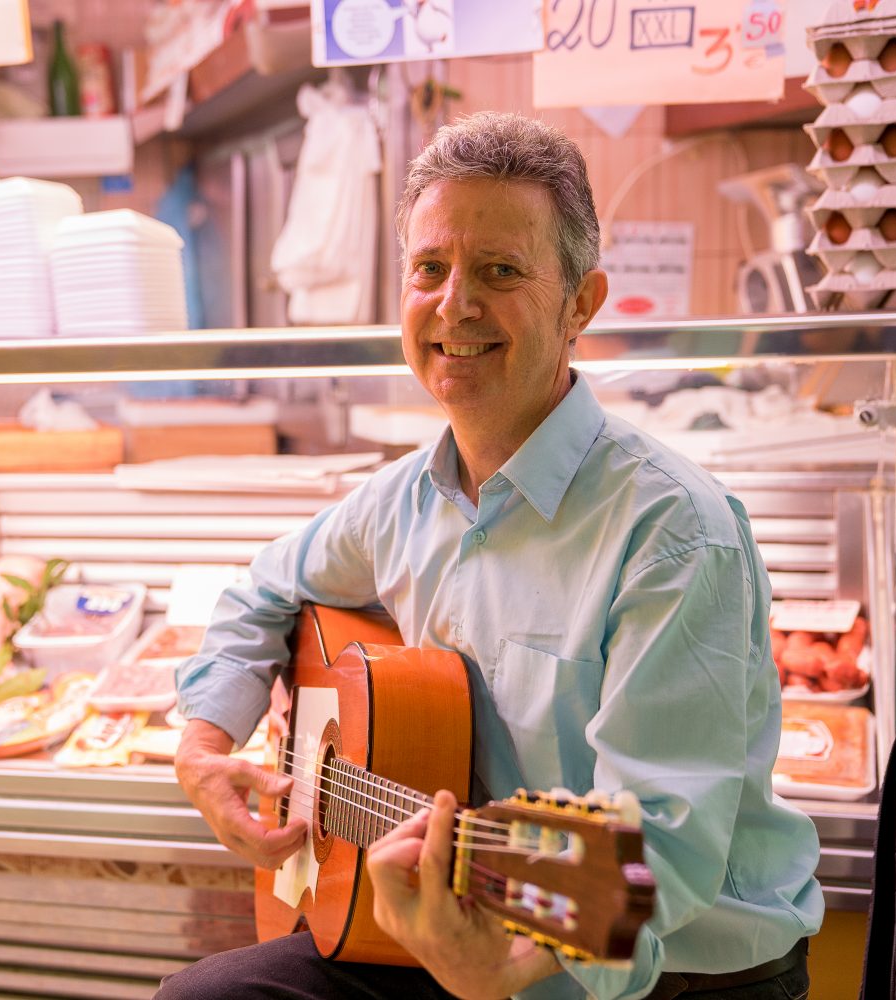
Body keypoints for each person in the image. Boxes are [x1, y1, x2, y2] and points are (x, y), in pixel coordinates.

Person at [160, 112, 823, 1000]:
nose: (455, 305)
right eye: (429, 269)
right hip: (457, 925)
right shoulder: (398, 502)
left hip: (668, 975)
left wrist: (501, 967)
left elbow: (656, 852)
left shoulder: (672, 532)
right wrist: (204, 746)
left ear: (580, 304)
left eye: (501, 271)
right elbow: (262, 590)